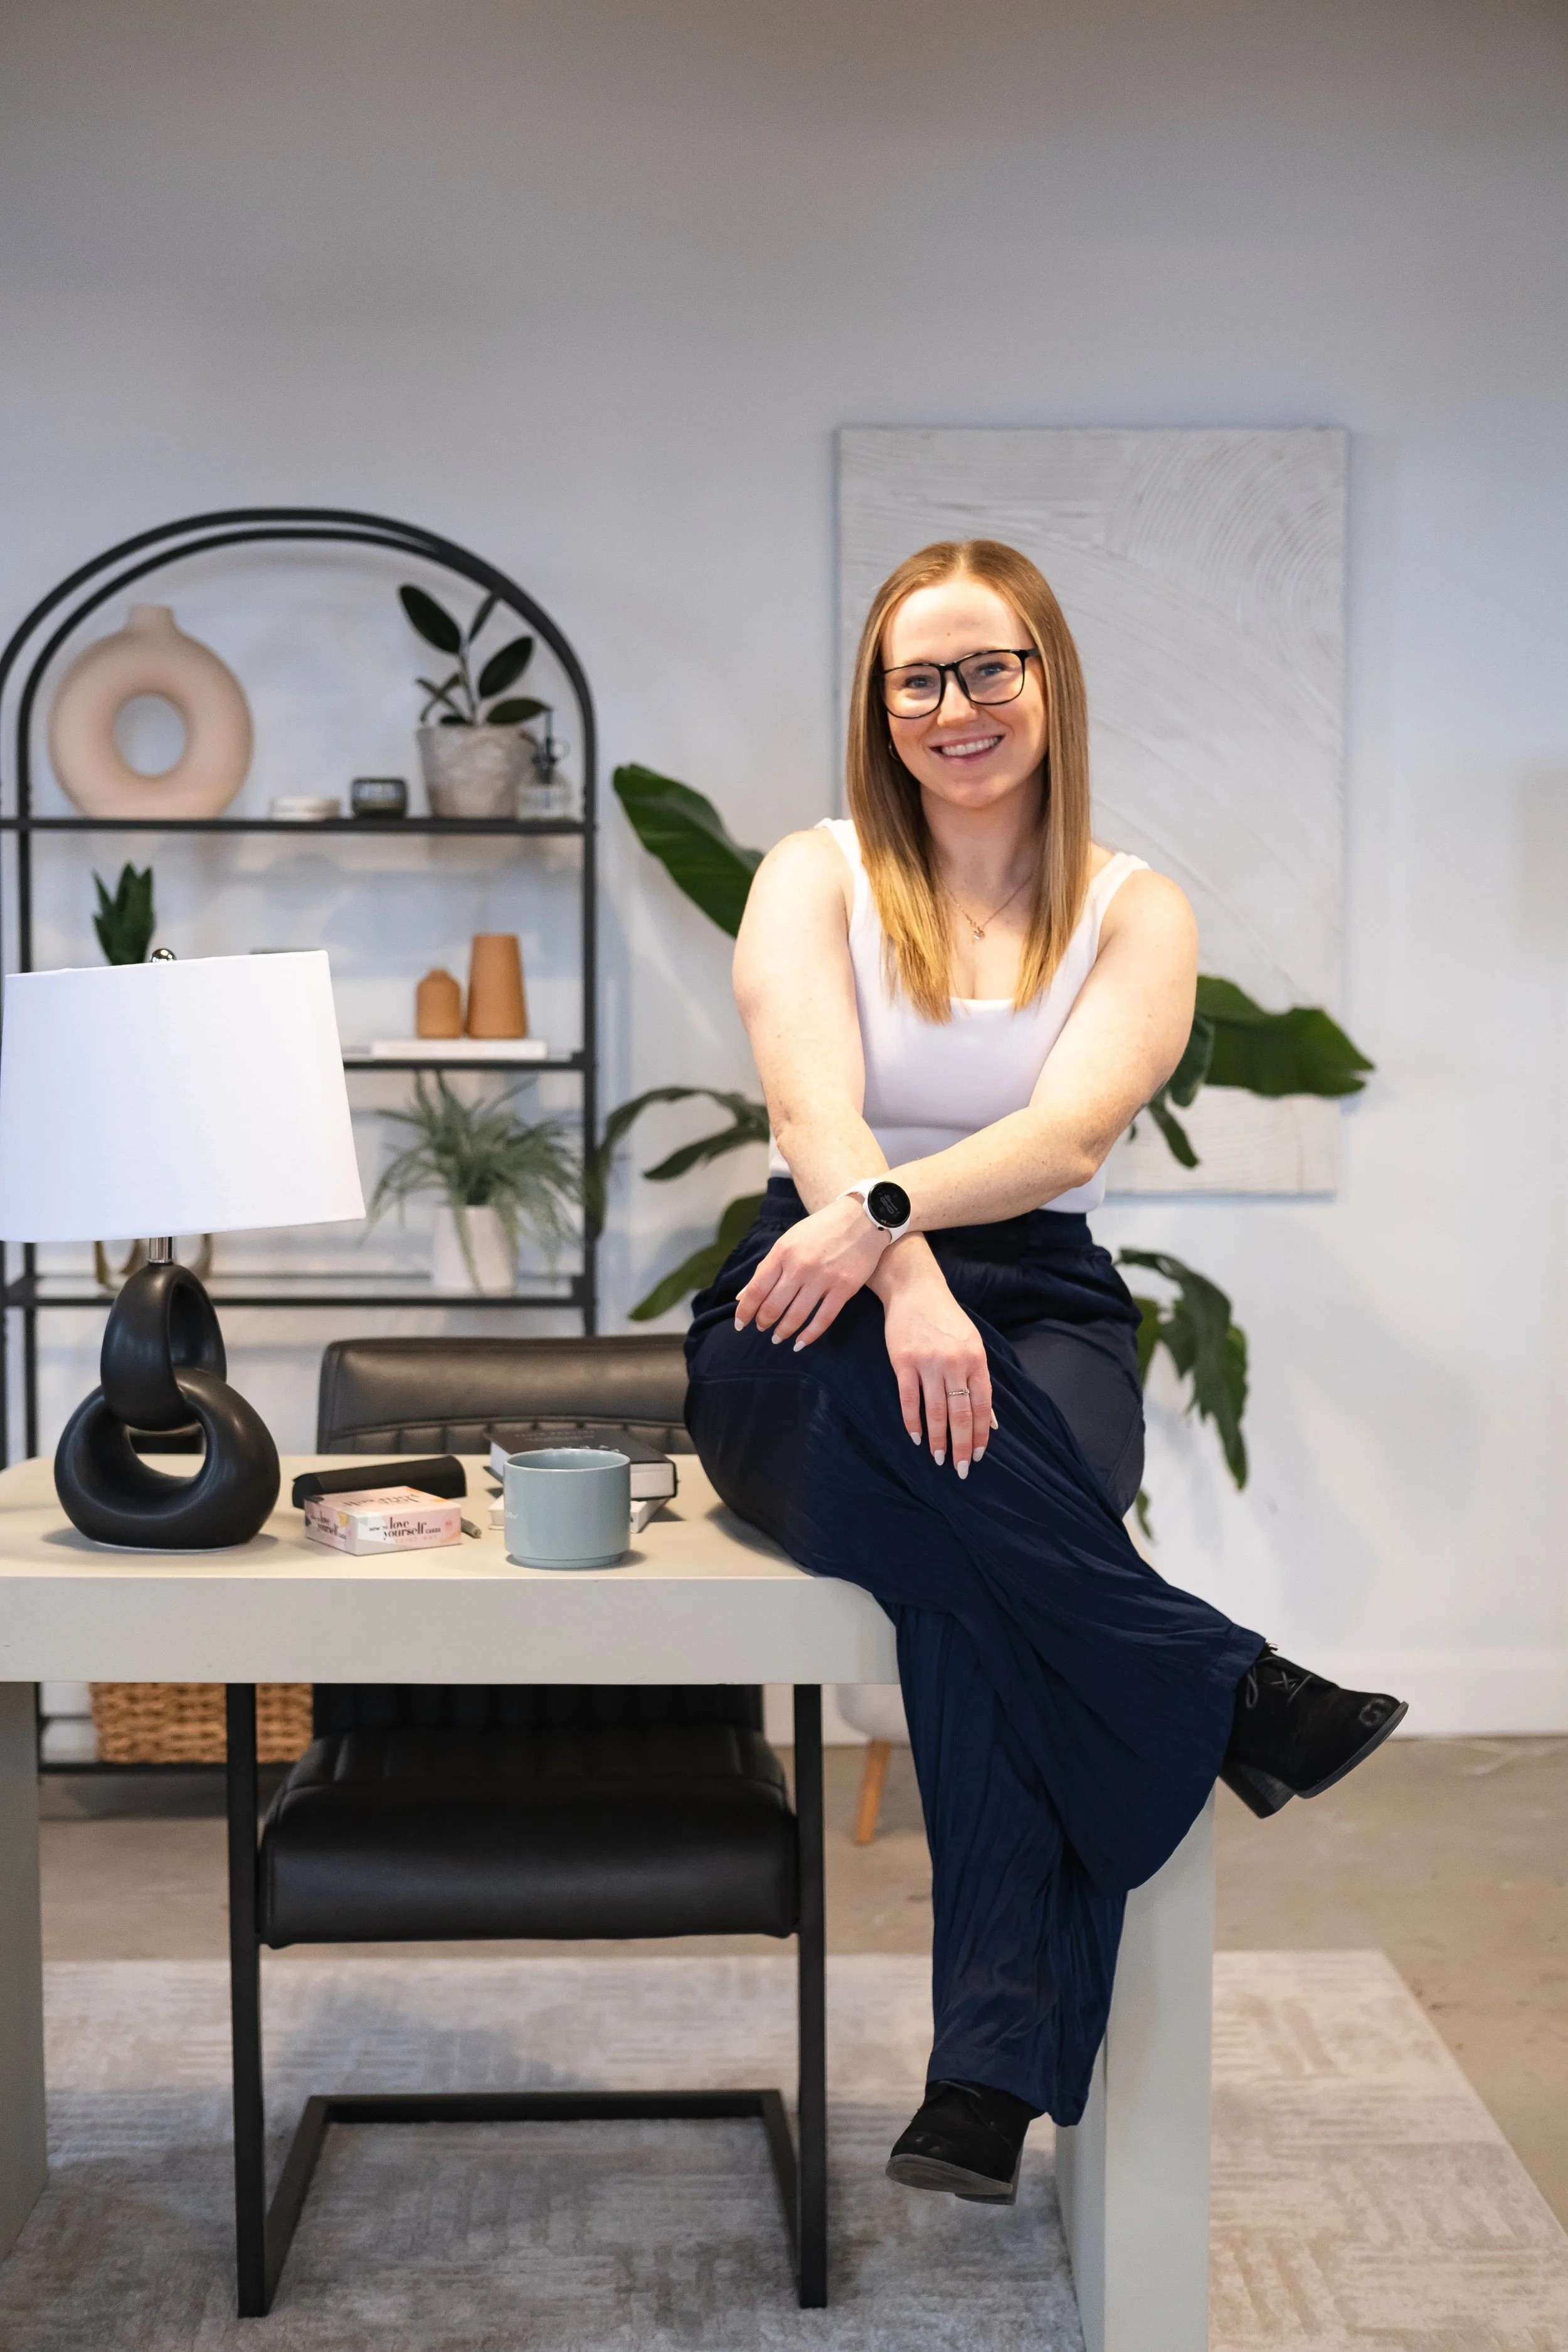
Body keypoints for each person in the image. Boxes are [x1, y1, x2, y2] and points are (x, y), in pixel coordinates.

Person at [682, 538, 1406, 2206]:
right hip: (803, 1296)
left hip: (1037, 1298)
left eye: (986, 668)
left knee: (976, 1570)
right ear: (878, 705)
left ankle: (988, 2068)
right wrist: (897, 1269)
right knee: (965, 1481)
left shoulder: (1130, 905)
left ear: (1047, 677)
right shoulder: (815, 872)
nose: (954, 706)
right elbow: (811, 1117)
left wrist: (893, 1222)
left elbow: (1066, 1133)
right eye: (916, 677)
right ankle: (1221, 1685)